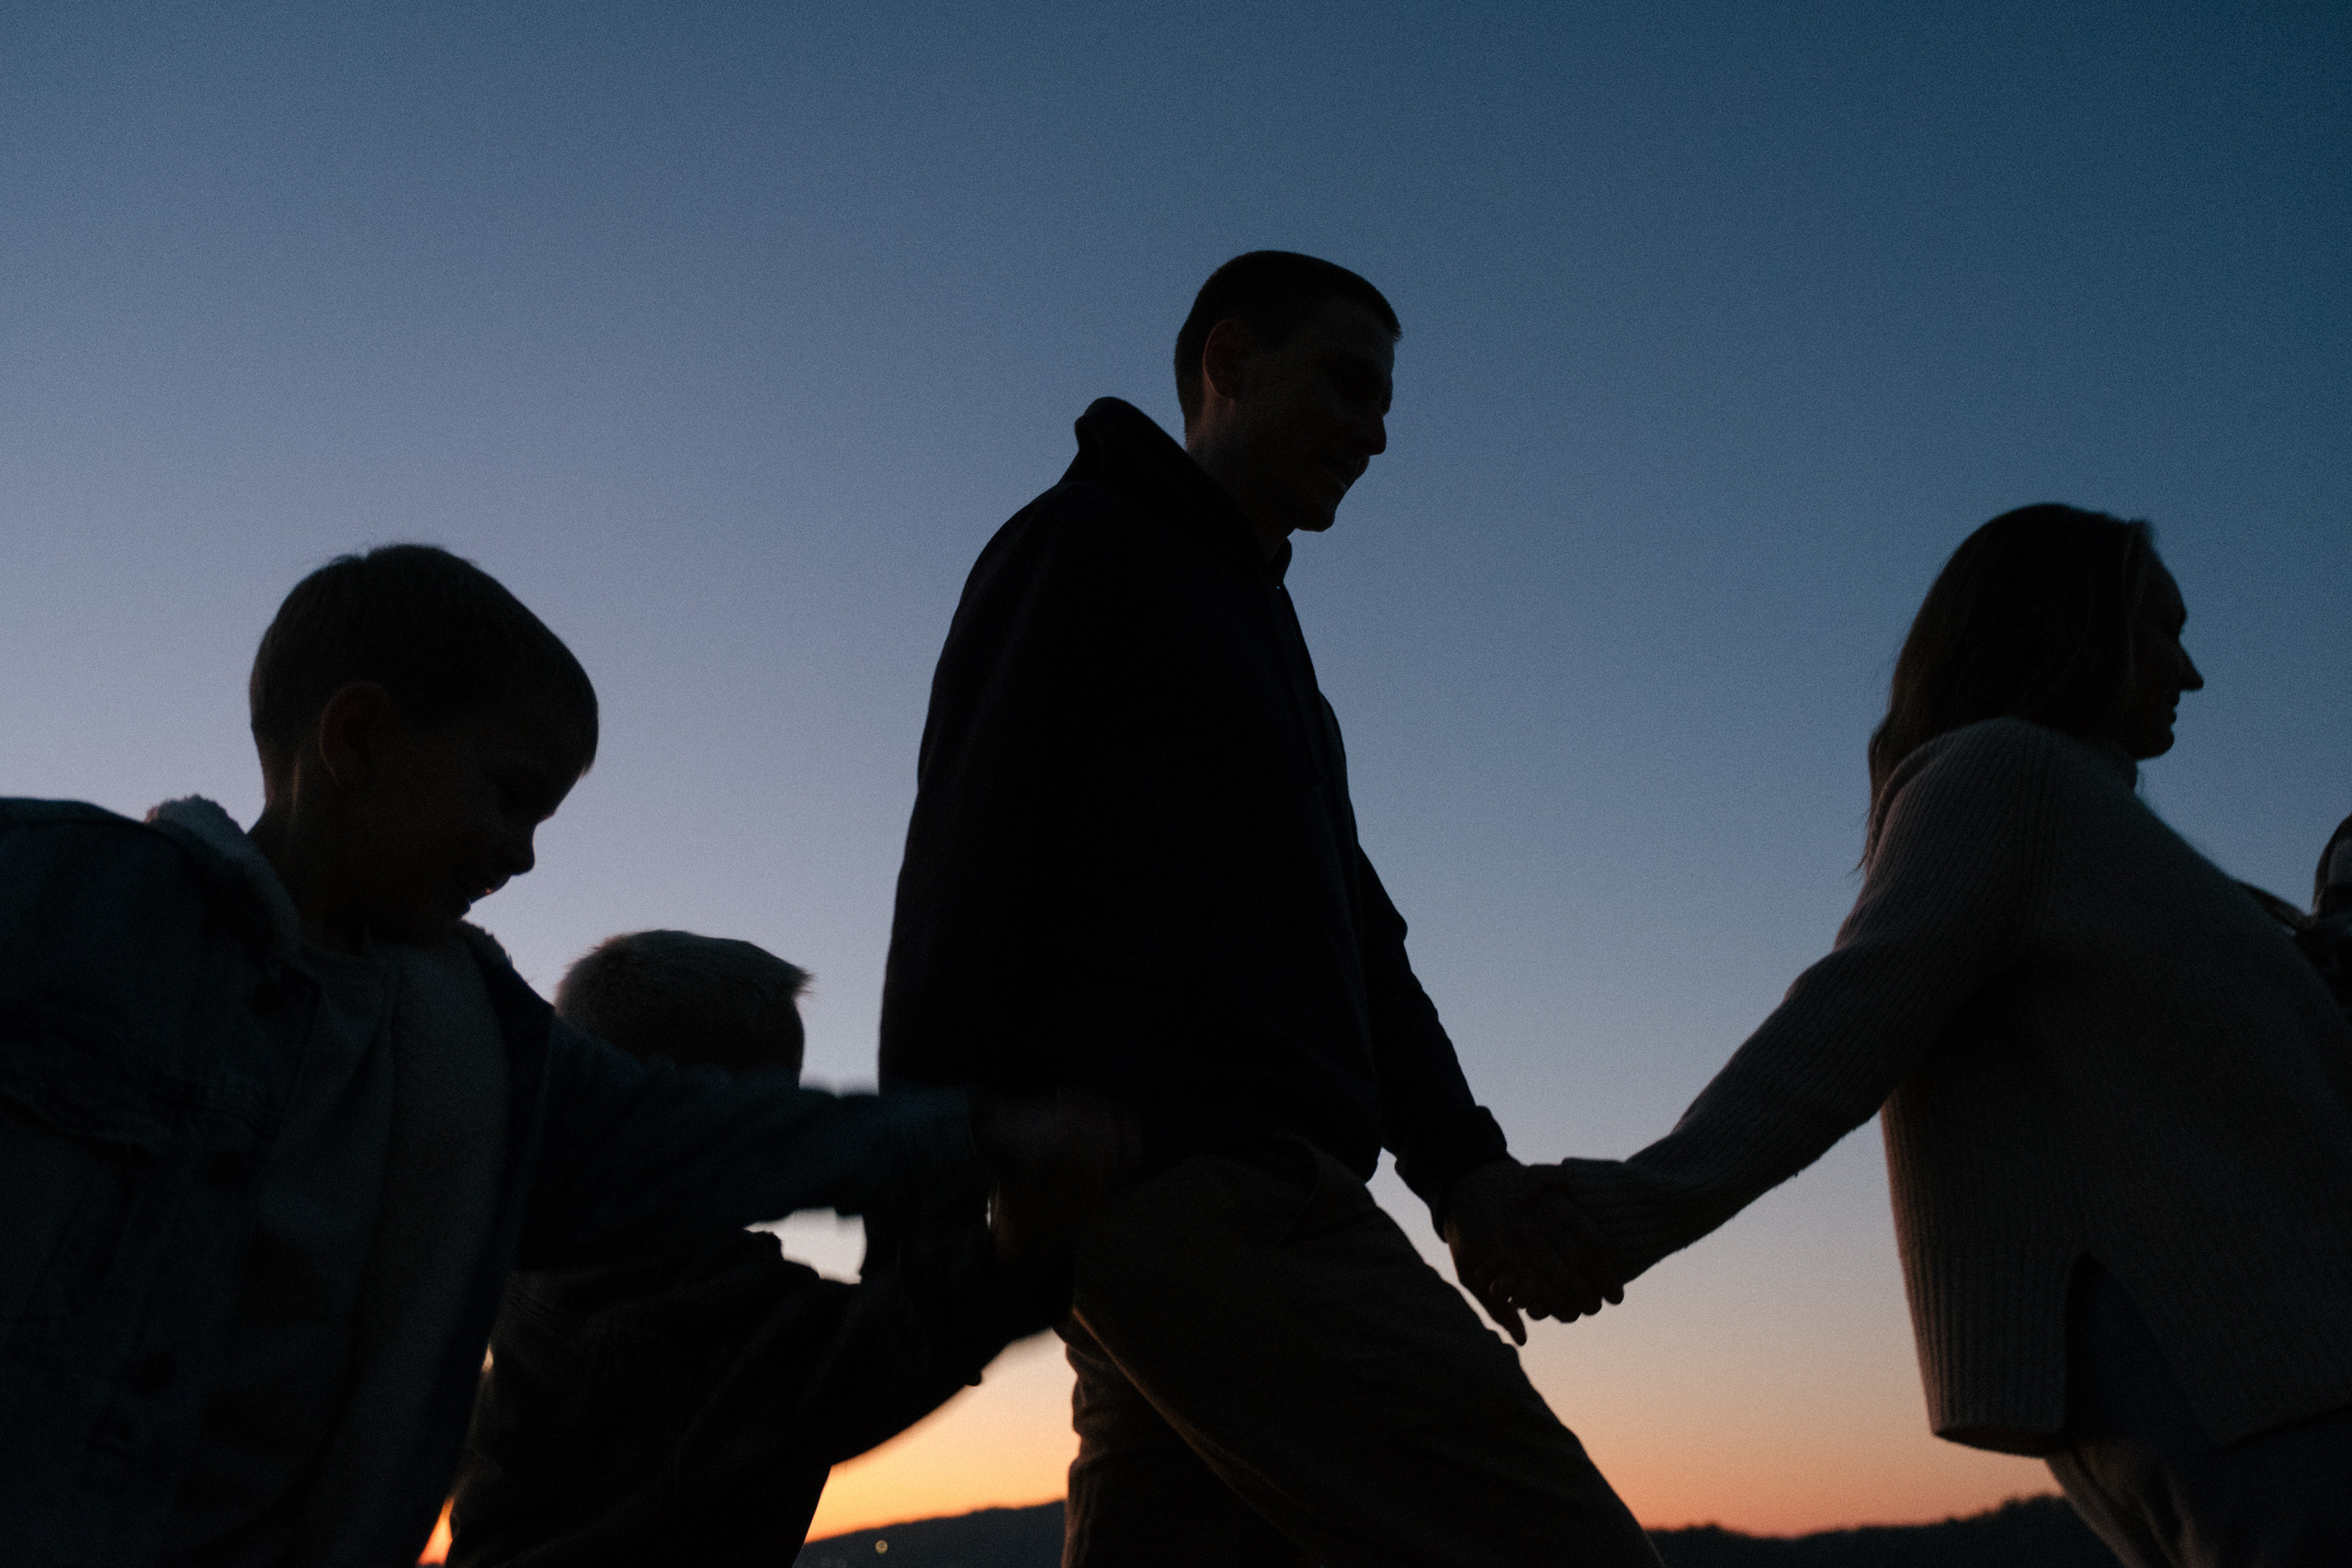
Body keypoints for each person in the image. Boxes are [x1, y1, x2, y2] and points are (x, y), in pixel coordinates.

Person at [0, 544, 1108, 1568]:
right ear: (357, 739)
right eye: (511, 794)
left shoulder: (479, 1049)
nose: (525, 855)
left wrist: (977, 1133)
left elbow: (692, 1136)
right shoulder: (63, 902)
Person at [879, 252, 1657, 1568]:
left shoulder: (1257, 633)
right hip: (1205, 1192)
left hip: (1181, 1212)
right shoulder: (1083, 548)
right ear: (1229, 365)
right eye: (1349, 385)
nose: (1377, 431)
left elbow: (1357, 931)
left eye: (1388, 403)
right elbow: (965, 864)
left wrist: (1459, 1166)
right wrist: (919, 1228)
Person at [1532, 506, 2352, 1567]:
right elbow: (1850, 1018)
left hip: (2274, 1373)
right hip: (2248, 1373)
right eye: (2162, 627)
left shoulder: (2111, 835)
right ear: (2071, 624)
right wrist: (1626, 1211)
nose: (2190, 672)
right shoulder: (2009, 776)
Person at [448, 931, 1072, 1566]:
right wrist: (1014, 1251)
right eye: (775, 1099)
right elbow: (870, 1360)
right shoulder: (676, 1308)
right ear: (708, 1108)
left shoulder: (542, 1268)